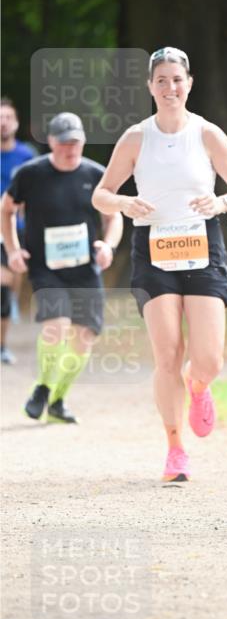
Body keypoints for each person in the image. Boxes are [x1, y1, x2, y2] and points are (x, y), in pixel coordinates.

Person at [92, 46, 227, 482]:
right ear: (150, 87)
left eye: (177, 79)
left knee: (208, 358)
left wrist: (218, 203)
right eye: (161, 80)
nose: (170, 87)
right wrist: (124, 202)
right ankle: (175, 448)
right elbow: (100, 193)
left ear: (189, 83)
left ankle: (199, 386)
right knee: (166, 355)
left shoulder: (208, 134)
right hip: (154, 248)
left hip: (202, 245)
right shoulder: (136, 137)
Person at [0, 112, 122, 422]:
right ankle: (42, 387)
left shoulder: (96, 175)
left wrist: (108, 245)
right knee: (56, 326)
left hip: (84, 268)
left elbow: (114, 216)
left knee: (84, 338)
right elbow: (7, 209)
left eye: (77, 142)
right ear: (51, 142)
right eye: (65, 142)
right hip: (46, 267)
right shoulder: (31, 174)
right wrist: (13, 249)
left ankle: (57, 401)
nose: (71, 148)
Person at [0, 96, 36, 364]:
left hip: (17, 227)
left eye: (8, 118)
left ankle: (10, 302)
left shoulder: (26, 155)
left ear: (16, 122)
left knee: (13, 278)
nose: (3, 123)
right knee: (2, 283)